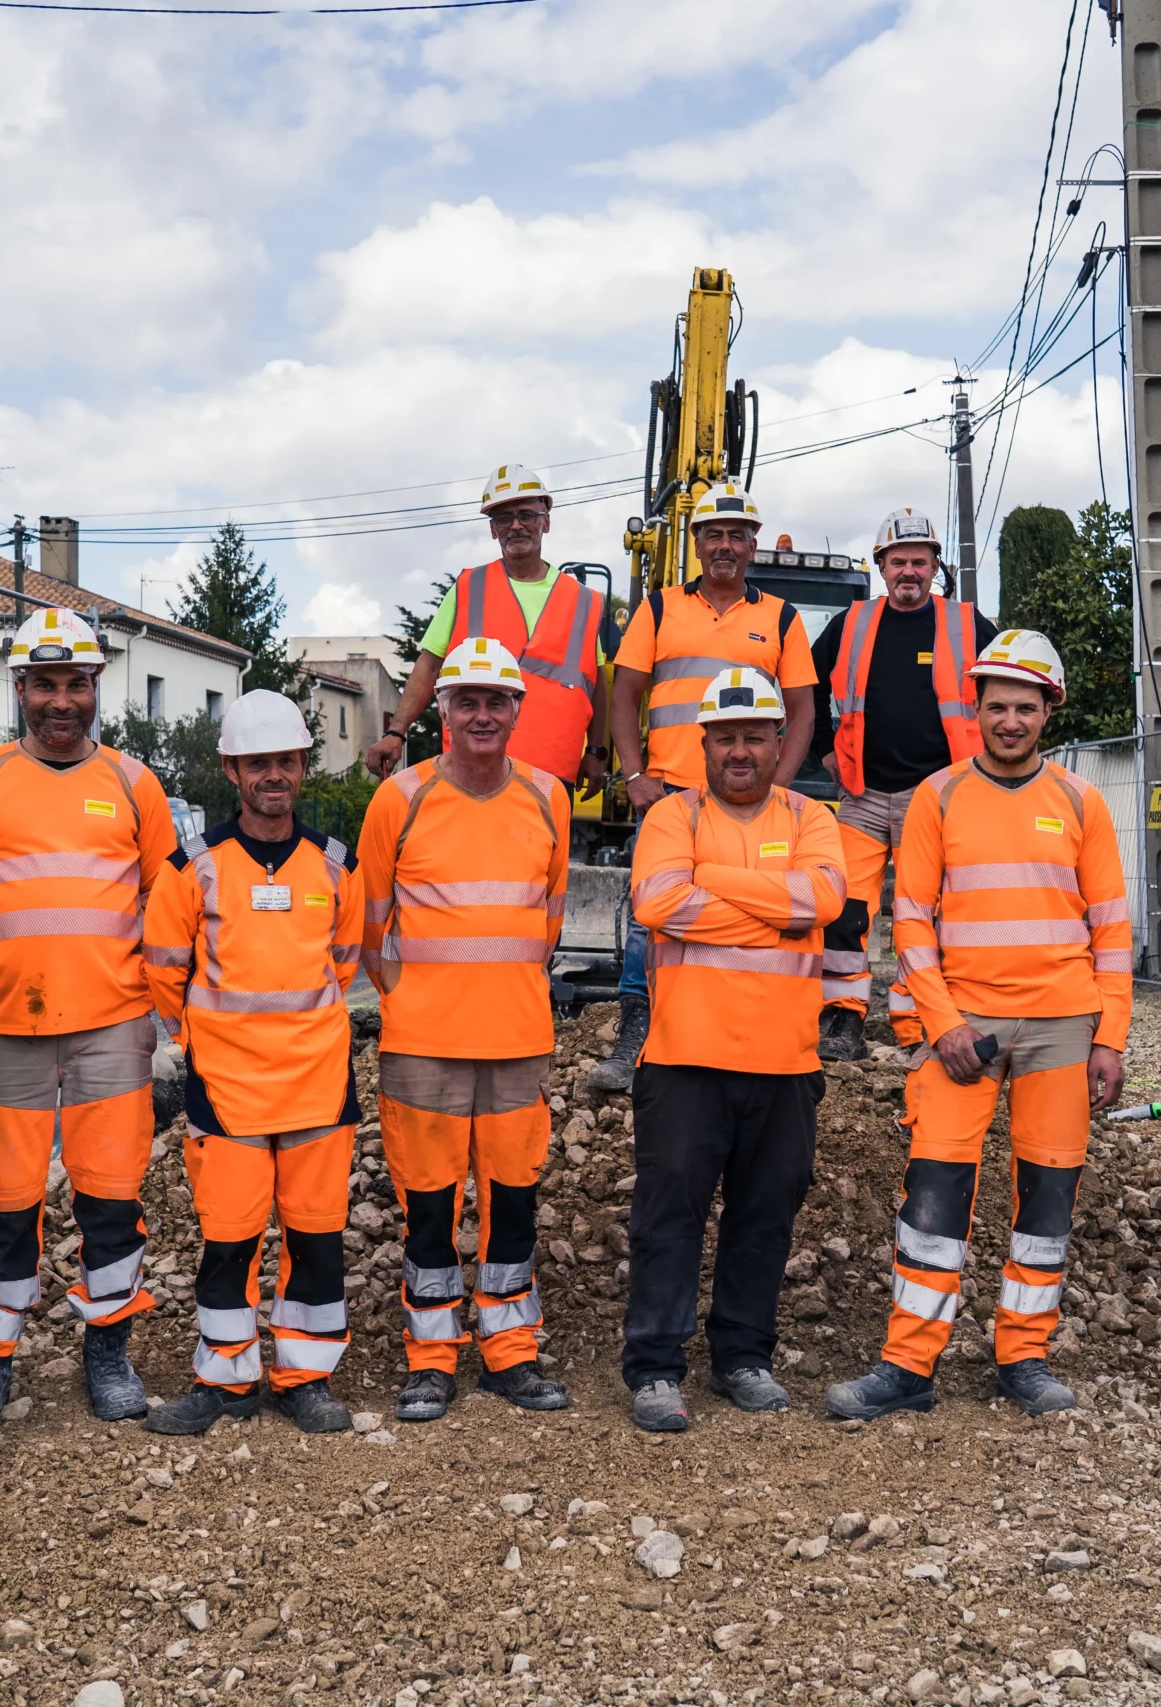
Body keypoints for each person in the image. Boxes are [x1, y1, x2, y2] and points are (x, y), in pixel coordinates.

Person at [826, 631, 1131, 1421]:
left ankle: (1023, 1357)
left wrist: (1110, 1038)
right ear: (977, 710)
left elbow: (1111, 929)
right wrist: (942, 1020)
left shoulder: (1080, 803)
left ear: (1047, 711)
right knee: (933, 1188)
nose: (1008, 719)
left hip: (1062, 1023)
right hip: (960, 1028)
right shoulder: (938, 797)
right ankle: (908, 1364)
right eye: (995, 705)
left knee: (1048, 1195)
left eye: (1023, 706)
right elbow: (912, 919)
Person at [0, 606, 180, 1424]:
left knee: (111, 1197)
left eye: (76, 682)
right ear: (21, 688)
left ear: (96, 686)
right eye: (45, 684)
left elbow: (167, 905)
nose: (61, 700)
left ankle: (108, 1351)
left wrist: (167, 1011)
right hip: (3, 1028)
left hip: (112, 1026)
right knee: (5, 1202)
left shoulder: (135, 785)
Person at [621, 667, 847, 1431]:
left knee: (763, 1218)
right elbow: (656, 901)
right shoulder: (670, 818)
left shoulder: (813, 816)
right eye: (728, 737)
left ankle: (742, 1358)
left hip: (785, 1064)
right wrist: (771, 902)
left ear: (780, 741)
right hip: (686, 1058)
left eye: (756, 735)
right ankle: (655, 1367)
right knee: (668, 1216)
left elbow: (823, 901)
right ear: (705, 743)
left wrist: (711, 885)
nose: (741, 751)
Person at [357, 639, 573, 1421]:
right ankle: (431, 1356)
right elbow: (369, 925)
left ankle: (511, 1352)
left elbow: (546, 924)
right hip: (423, 1046)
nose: (482, 714)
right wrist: (415, 1000)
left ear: (518, 710)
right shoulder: (402, 798)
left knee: (514, 1201)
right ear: (440, 710)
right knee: (428, 1205)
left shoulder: (550, 798)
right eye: (466, 701)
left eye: (496, 701)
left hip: (517, 1041)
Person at [144, 691, 363, 1437]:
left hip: (317, 1086)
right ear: (233, 770)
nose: (274, 774)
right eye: (258, 762)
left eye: (286, 760)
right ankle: (226, 1377)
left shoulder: (335, 865)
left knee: (316, 1239)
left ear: (303, 765)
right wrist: (204, 1041)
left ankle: (305, 1376)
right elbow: (164, 971)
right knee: (228, 1238)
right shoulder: (193, 868)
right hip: (227, 1090)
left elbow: (344, 959)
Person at [585, 483, 819, 1092]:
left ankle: (744, 1032)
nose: (725, 545)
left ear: (752, 544)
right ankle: (638, 1032)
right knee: (651, 919)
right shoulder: (659, 609)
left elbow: (801, 709)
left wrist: (783, 788)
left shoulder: (782, 618)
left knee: (753, 907)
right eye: (713, 534)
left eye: (737, 535)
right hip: (671, 797)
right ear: (695, 543)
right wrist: (635, 775)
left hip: (750, 800)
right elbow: (626, 693)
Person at [808, 509, 996, 1060]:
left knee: (924, 913)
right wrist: (825, 749)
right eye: (898, 562)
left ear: (935, 565)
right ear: (881, 567)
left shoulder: (967, 624)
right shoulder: (851, 624)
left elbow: (1001, 690)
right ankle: (842, 1021)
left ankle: (917, 1025)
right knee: (845, 910)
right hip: (862, 795)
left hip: (936, 798)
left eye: (919, 561)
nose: (909, 571)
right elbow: (807, 686)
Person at [362, 461, 609, 788]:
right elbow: (429, 665)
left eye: (527, 515)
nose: (517, 526)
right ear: (493, 529)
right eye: (504, 518)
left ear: (546, 521)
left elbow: (599, 684)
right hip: (473, 771)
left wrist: (595, 751)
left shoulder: (584, 601)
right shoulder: (469, 588)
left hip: (551, 774)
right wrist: (396, 732)